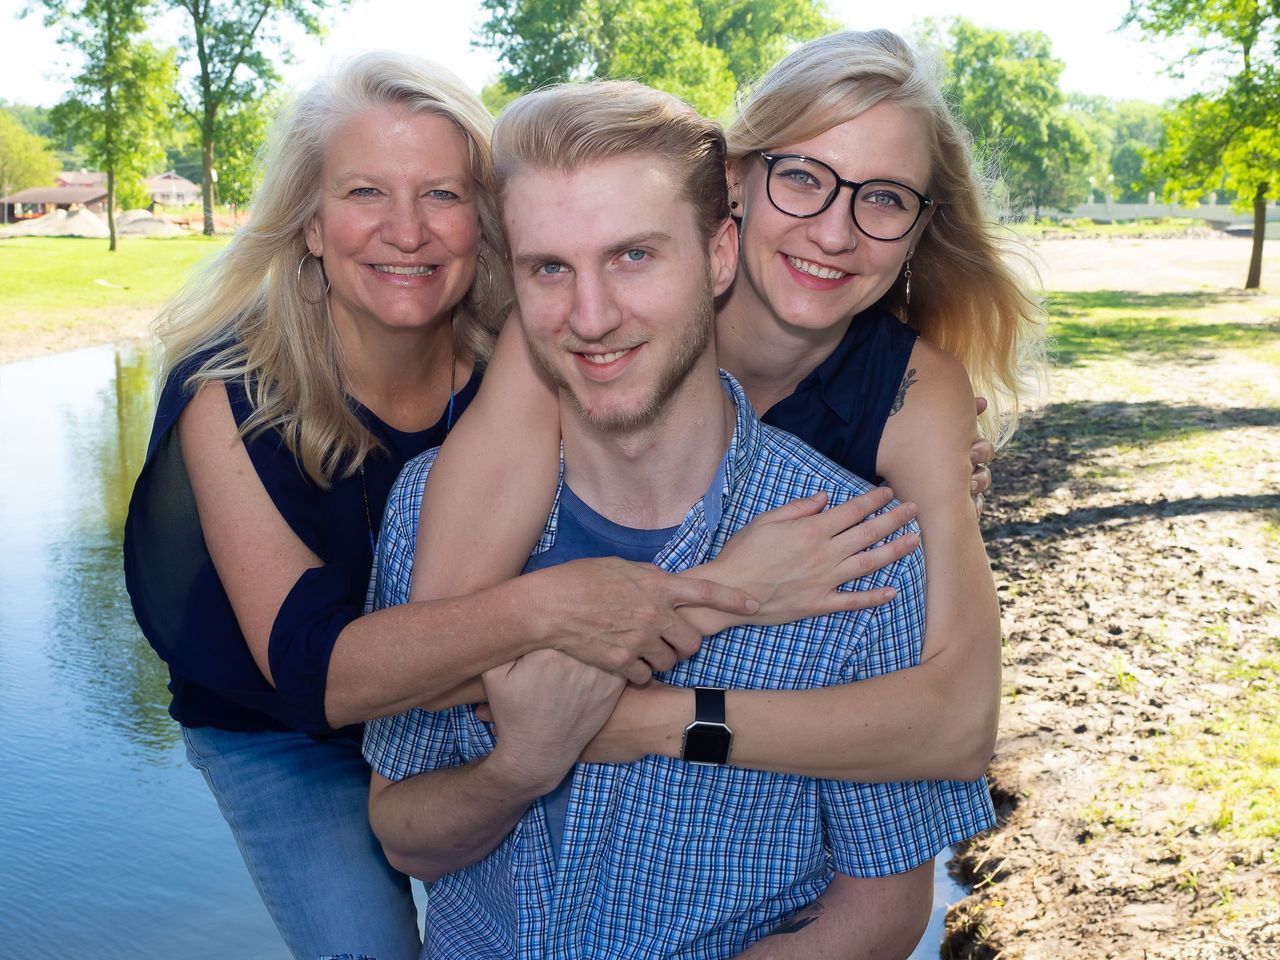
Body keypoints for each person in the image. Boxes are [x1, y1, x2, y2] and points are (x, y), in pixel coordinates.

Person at [122, 53, 881, 960]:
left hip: (445, 698)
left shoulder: (523, 352)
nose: (407, 231)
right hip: (286, 724)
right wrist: (713, 587)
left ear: (485, 228)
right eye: (366, 192)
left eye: (441, 195)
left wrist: (908, 444)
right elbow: (319, 677)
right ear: (311, 224)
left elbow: (678, 346)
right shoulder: (229, 394)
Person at [364, 79, 994, 959]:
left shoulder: (864, 535)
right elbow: (407, 815)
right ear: (742, 186)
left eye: (634, 257)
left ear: (716, 251)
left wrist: (639, 719)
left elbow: (898, 877)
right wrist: (520, 765)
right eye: (549, 267)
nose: (591, 316)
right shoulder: (446, 494)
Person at [411, 28, 1041, 785]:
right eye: (804, 178)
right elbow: (439, 657)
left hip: (746, 817)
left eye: (882, 198)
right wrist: (729, 593)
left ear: (919, 227)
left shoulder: (914, 395)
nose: (835, 233)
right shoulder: (598, 325)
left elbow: (959, 725)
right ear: (735, 182)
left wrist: (645, 721)